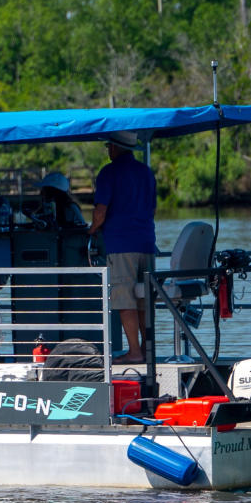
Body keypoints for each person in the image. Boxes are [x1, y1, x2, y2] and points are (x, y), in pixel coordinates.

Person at [89, 130, 158, 365]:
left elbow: (100, 211)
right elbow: (152, 209)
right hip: (147, 242)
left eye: (109, 146)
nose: (108, 150)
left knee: (124, 297)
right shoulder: (146, 172)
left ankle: (134, 352)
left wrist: (91, 229)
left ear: (116, 148)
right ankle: (148, 350)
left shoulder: (109, 173)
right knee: (144, 297)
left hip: (121, 244)